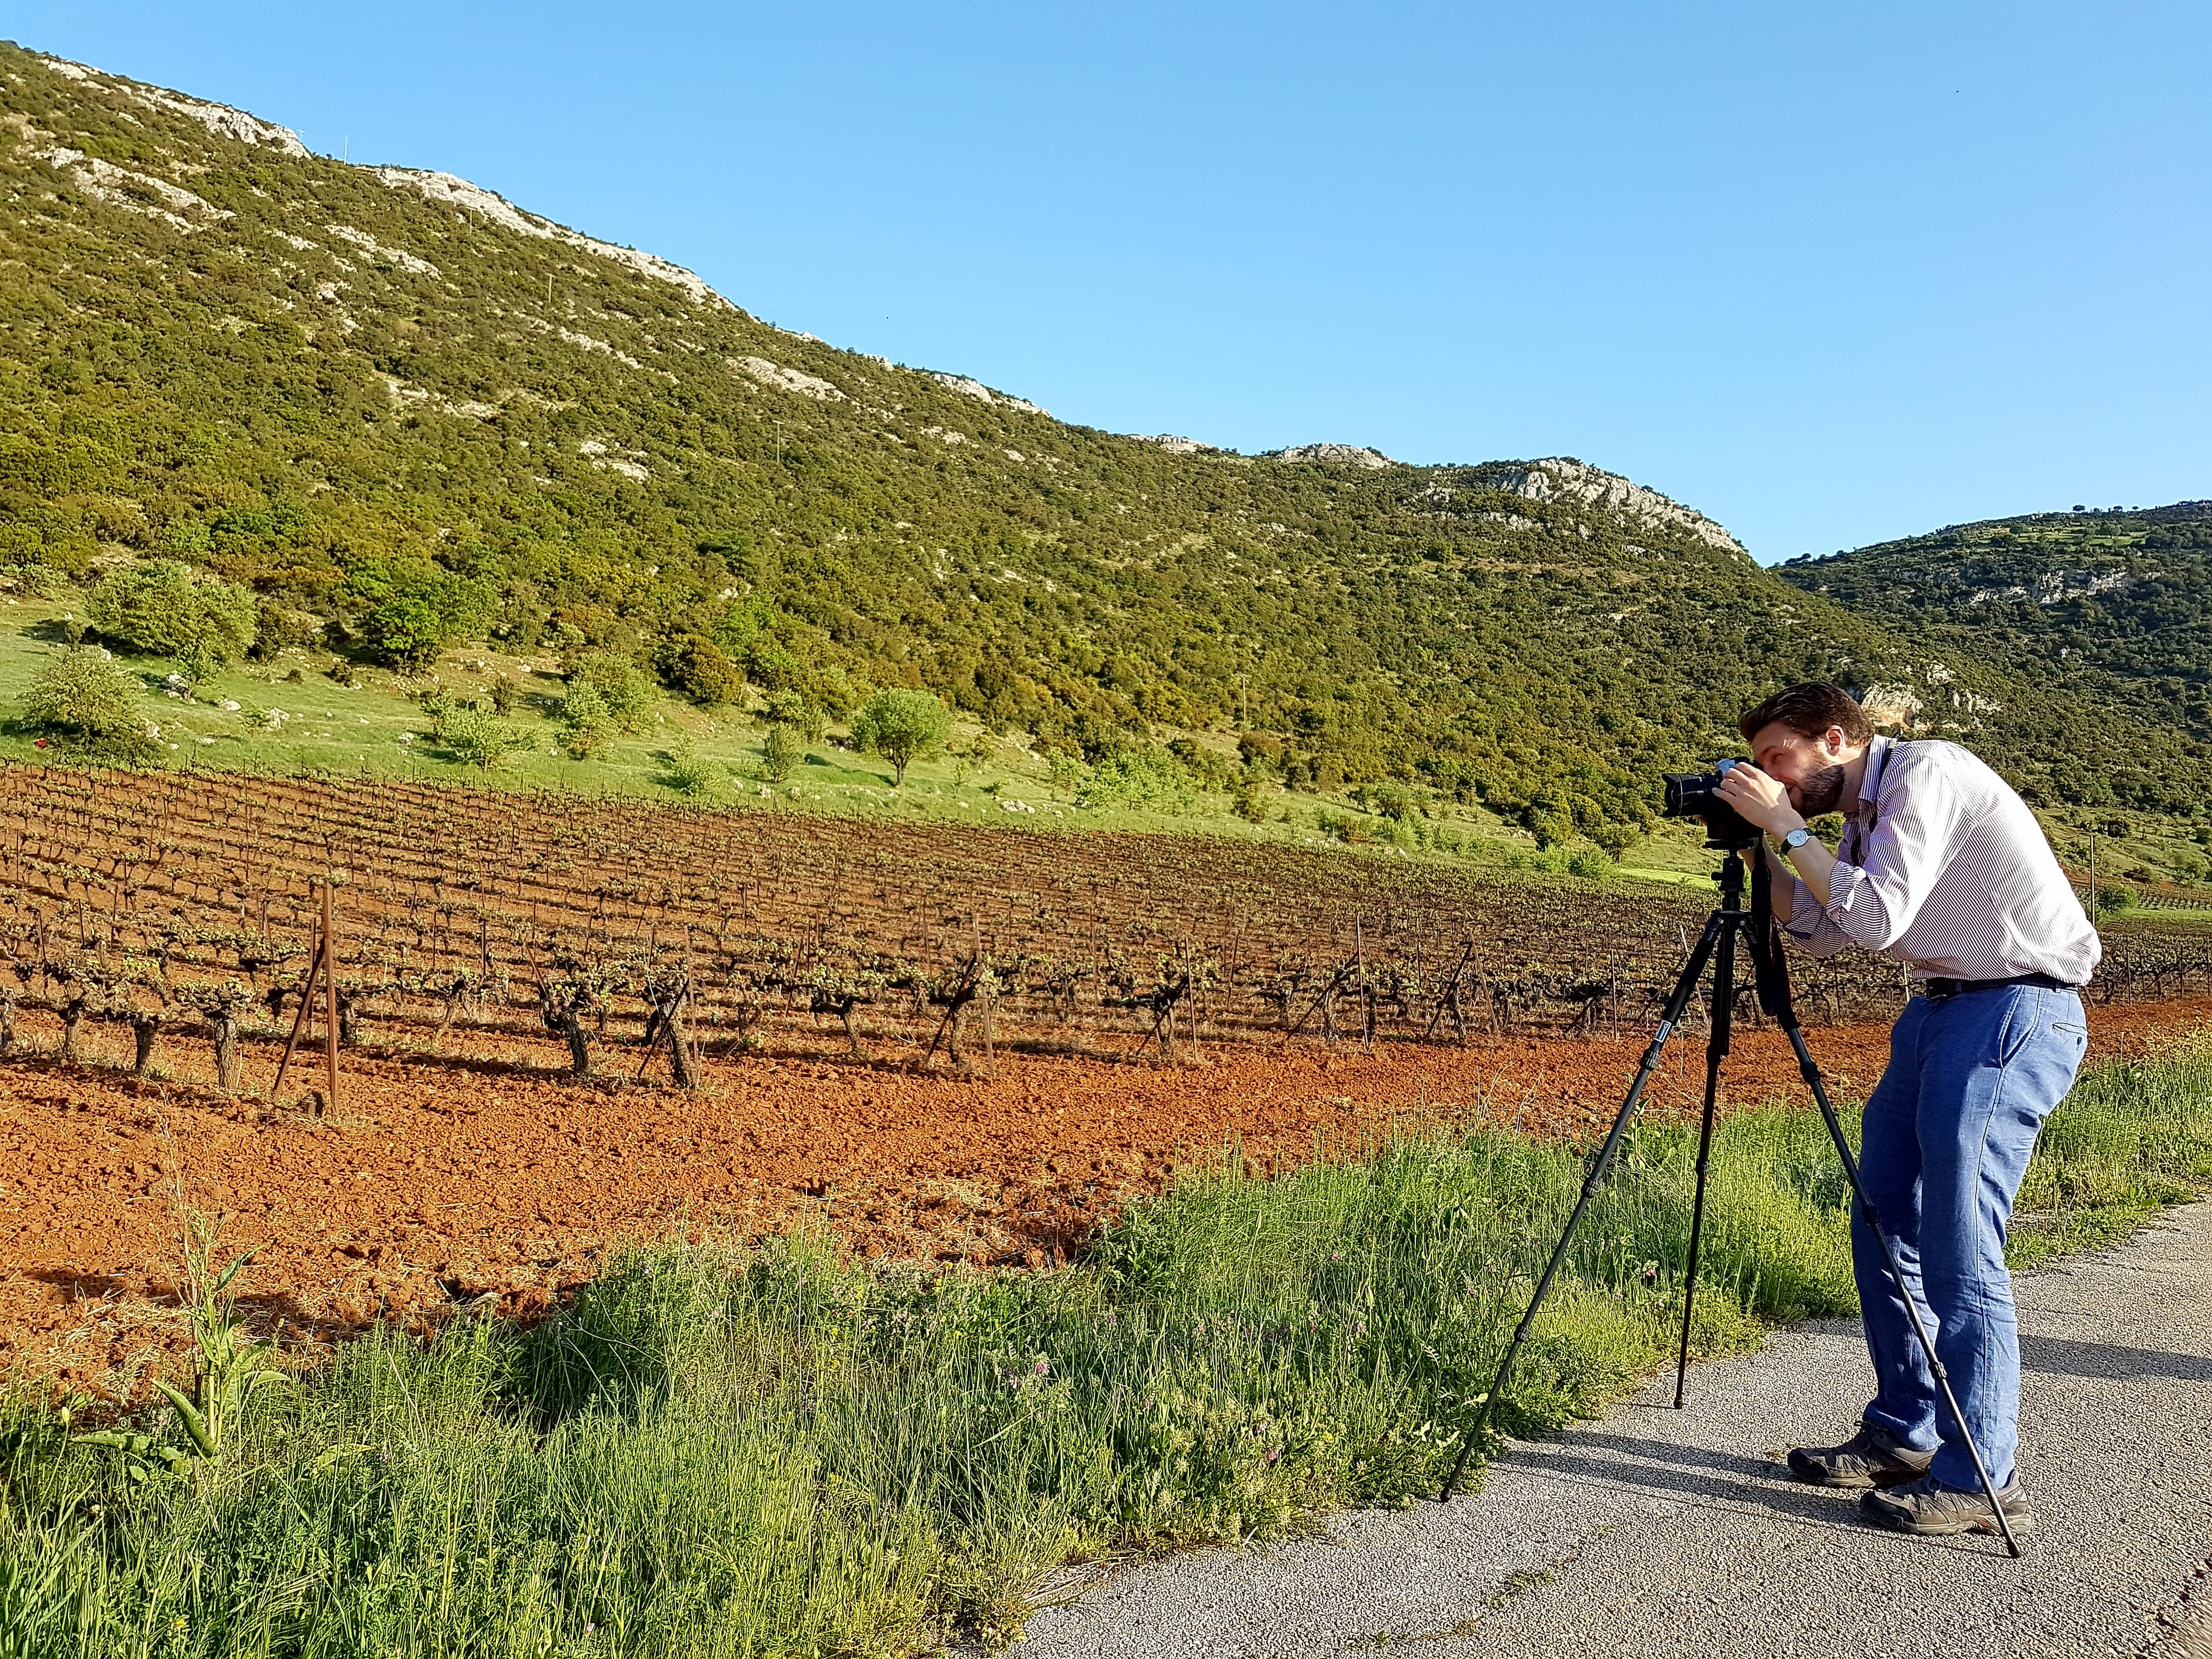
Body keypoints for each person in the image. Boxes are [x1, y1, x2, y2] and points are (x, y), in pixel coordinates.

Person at [1714, 682, 2099, 1539]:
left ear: (1840, 739)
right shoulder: (1859, 817)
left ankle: (1980, 1477)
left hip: (2012, 1009)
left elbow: (1881, 918)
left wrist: (1789, 827)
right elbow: (1821, 929)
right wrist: (1760, 853)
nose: (1770, 773)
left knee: (1961, 1245)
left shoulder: (1927, 773)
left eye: (1780, 757)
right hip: (1937, 1010)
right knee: (1885, 1217)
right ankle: (1906, 1431)